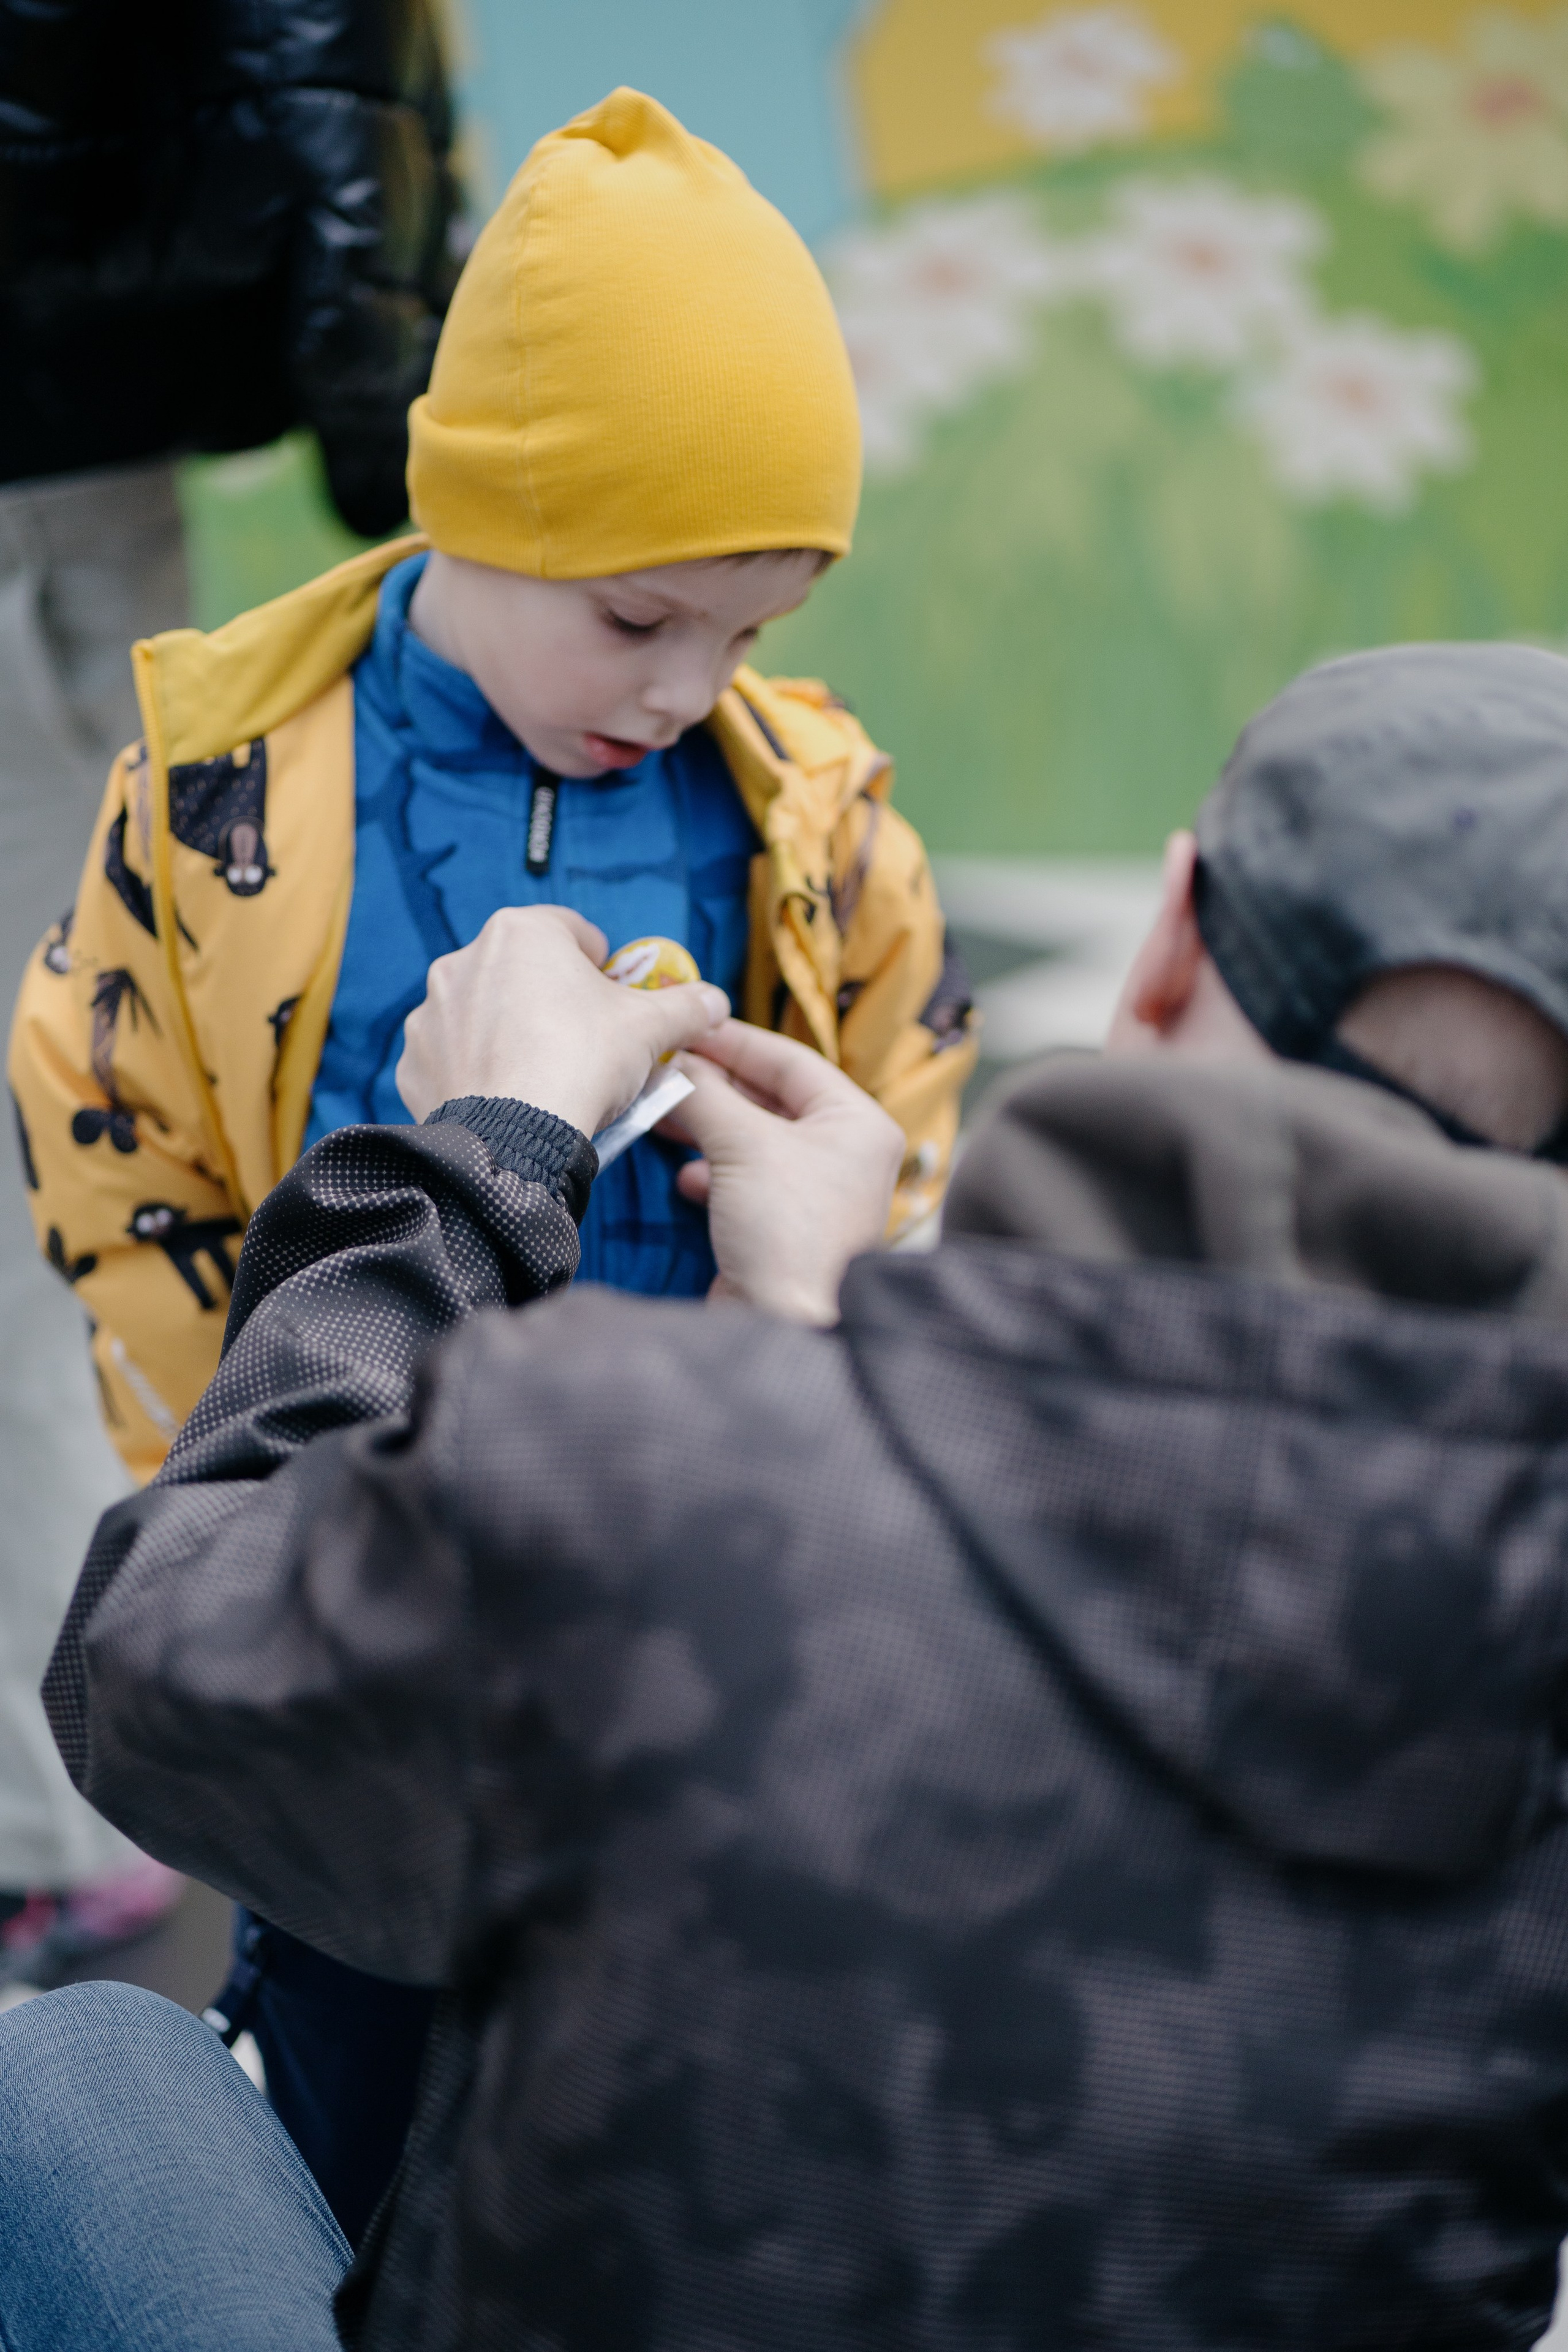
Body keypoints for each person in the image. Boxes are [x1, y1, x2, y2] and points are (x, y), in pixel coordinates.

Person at [23, 637, 1568, 2348]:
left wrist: (480, 1161)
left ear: (1169, 941)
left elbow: (155, 1659)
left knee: (80, 2070)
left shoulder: (656, 1474)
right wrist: (837, 1325)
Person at [7, 85, 976, 2232]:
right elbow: (111, 1124)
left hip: (690, 1602)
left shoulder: (812, 814)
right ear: (475, 516)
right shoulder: (228, 795)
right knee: (356, 2072)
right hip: (373, 1599)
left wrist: (836, 1305)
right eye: (641, 622)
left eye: (753, 627)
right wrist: (233, 1462)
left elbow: (905, 1088)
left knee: (665, 2102)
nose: (693, 684)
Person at [0, 0, 459, 1982]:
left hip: (56, 419)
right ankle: (76, 1801)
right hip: (74, 387)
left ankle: (65, 1805)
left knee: (69, 1119)